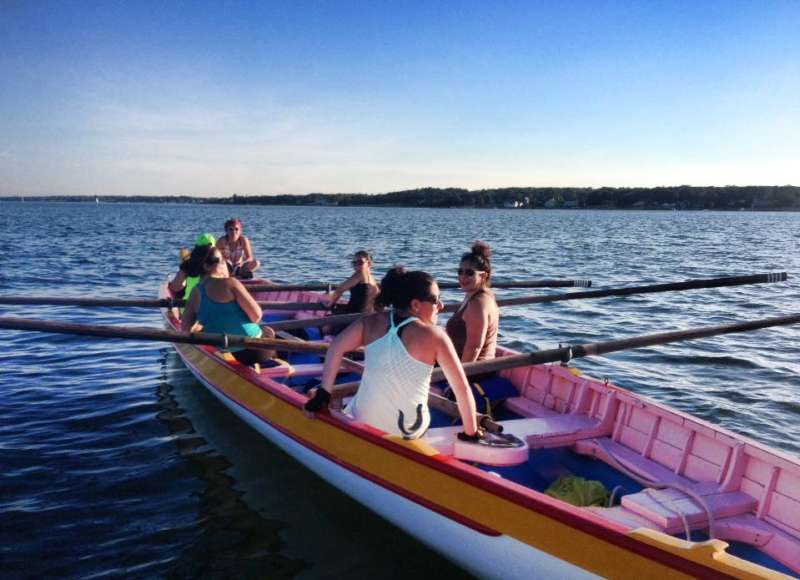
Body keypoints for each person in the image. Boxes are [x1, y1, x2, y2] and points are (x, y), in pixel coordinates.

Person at [305, 267, 482, 441]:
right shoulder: (436, 336)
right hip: (406, 431)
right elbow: (462, 389)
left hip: (363, 419)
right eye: (436, 300)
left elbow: (335, 347)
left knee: (358, 402)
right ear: (415, 305)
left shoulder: (369, 322)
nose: (441, 306)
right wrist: (470, 433)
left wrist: (324, 394)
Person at [180, 244, 275, 367]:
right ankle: (275, 363)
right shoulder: (230, 283)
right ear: (207, 266)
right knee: (269, 331)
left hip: (225, 352)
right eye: (222, 261)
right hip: (256, 351)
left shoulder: (193, 294)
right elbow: (256, 316)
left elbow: (185, 330)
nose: (226, 265)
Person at [445, 241, 499, 362]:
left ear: (483, 276)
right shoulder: (474, 295)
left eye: (469, 273)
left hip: (475, 372)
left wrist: (459, 378)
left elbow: (474, 347)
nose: (463, 277)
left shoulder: (478, 303)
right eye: (460, 271)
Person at [169, 233, 217, 308]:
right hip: (213, 309)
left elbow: (176, 287)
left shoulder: (187, 264)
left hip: (189, 307)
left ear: (196, 248)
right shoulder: (221, 264)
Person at [326, 250, 380, 315]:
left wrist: (329, 304)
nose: (356, 265)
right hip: (367, 316)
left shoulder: (359, 274)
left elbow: (339, 290)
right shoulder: (373, 280)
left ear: (369, 264)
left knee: (327, 322)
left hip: (354, 316)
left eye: (360, 262)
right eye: (354, 263)